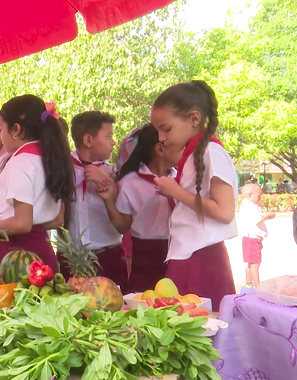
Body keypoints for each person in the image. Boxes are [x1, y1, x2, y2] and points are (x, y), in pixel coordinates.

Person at [151, 80, 237, 311]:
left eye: (166, 128)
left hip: (202, 258)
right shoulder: (193, 155)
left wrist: (176, 191)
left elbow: (225, 212)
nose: (161, 137)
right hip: (190, 254)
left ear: (194, 119)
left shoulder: (211, 152)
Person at [0, 95, 72, 270]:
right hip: (41, 251)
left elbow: (22, 223)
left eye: (1, 127)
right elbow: (58, 219)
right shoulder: (52, 158)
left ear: (16, 129)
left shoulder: (21, 162)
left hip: (18, 257)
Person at [99, 124, 178, 293]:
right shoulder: (130, 182)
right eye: (177, 146)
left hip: (178, 254)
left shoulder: (180, 179)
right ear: (160, 149)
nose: (182, 151)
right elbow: (122, 226)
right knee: (144, 305)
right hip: (146, 258)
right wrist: (108, 201)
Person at [64, 111, 128, 289]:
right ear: (88, 140)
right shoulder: (63, 169)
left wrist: (108, 184)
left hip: (109, 257)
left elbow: (125, 214)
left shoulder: (114, 172)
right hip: (70, 259)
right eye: (108, 136)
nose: (113, 142)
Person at [239, 184, 274, 287]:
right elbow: (258, 220)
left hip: (251, 239)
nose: (260, 198)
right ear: (250, 195)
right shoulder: (249, 207)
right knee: (255, 264)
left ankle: (249, 283)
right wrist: (268, 215)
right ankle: (257, 285)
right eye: (259, 196)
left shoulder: (248, 206)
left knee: (250, 263)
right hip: (252, 239)